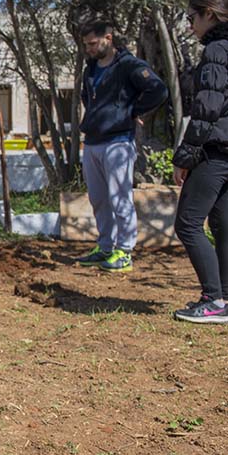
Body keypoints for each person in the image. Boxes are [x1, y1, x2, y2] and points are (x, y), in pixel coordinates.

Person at [75, 22, 168, 273]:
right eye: (86, 45)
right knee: (98, 199)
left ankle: (124, 251)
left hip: (118, 141)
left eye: (93, 44)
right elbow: (87, 96)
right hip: (93, 140)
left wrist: (133, 111)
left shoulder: (129, 65)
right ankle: (105, 246)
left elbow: (158, 90)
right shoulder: (90, 69)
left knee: (120, 197)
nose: (89, 49)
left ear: (108, 38)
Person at [172, 0, 228, 323]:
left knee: (188, 223)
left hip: (215, 150)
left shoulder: (217, 50)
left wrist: (185, 157)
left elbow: (208, 107)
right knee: (223, 223)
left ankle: (213, 298)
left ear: (210, 12)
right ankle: (224, 299)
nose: (190, 25)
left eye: (192, 17)